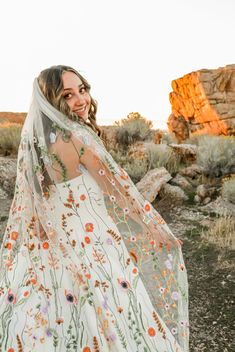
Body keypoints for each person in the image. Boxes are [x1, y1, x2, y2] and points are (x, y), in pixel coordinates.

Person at [0, 65, 189, 352]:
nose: (81, 100)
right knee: (113, 314)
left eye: (82, 90)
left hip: (53, 251)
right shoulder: (78, 138)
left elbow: (36, 215)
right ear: (52, 100)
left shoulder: (37, 147)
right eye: (68, 94)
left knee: (58, 319)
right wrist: (156, 228)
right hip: (95, 246)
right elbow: (119, 191)